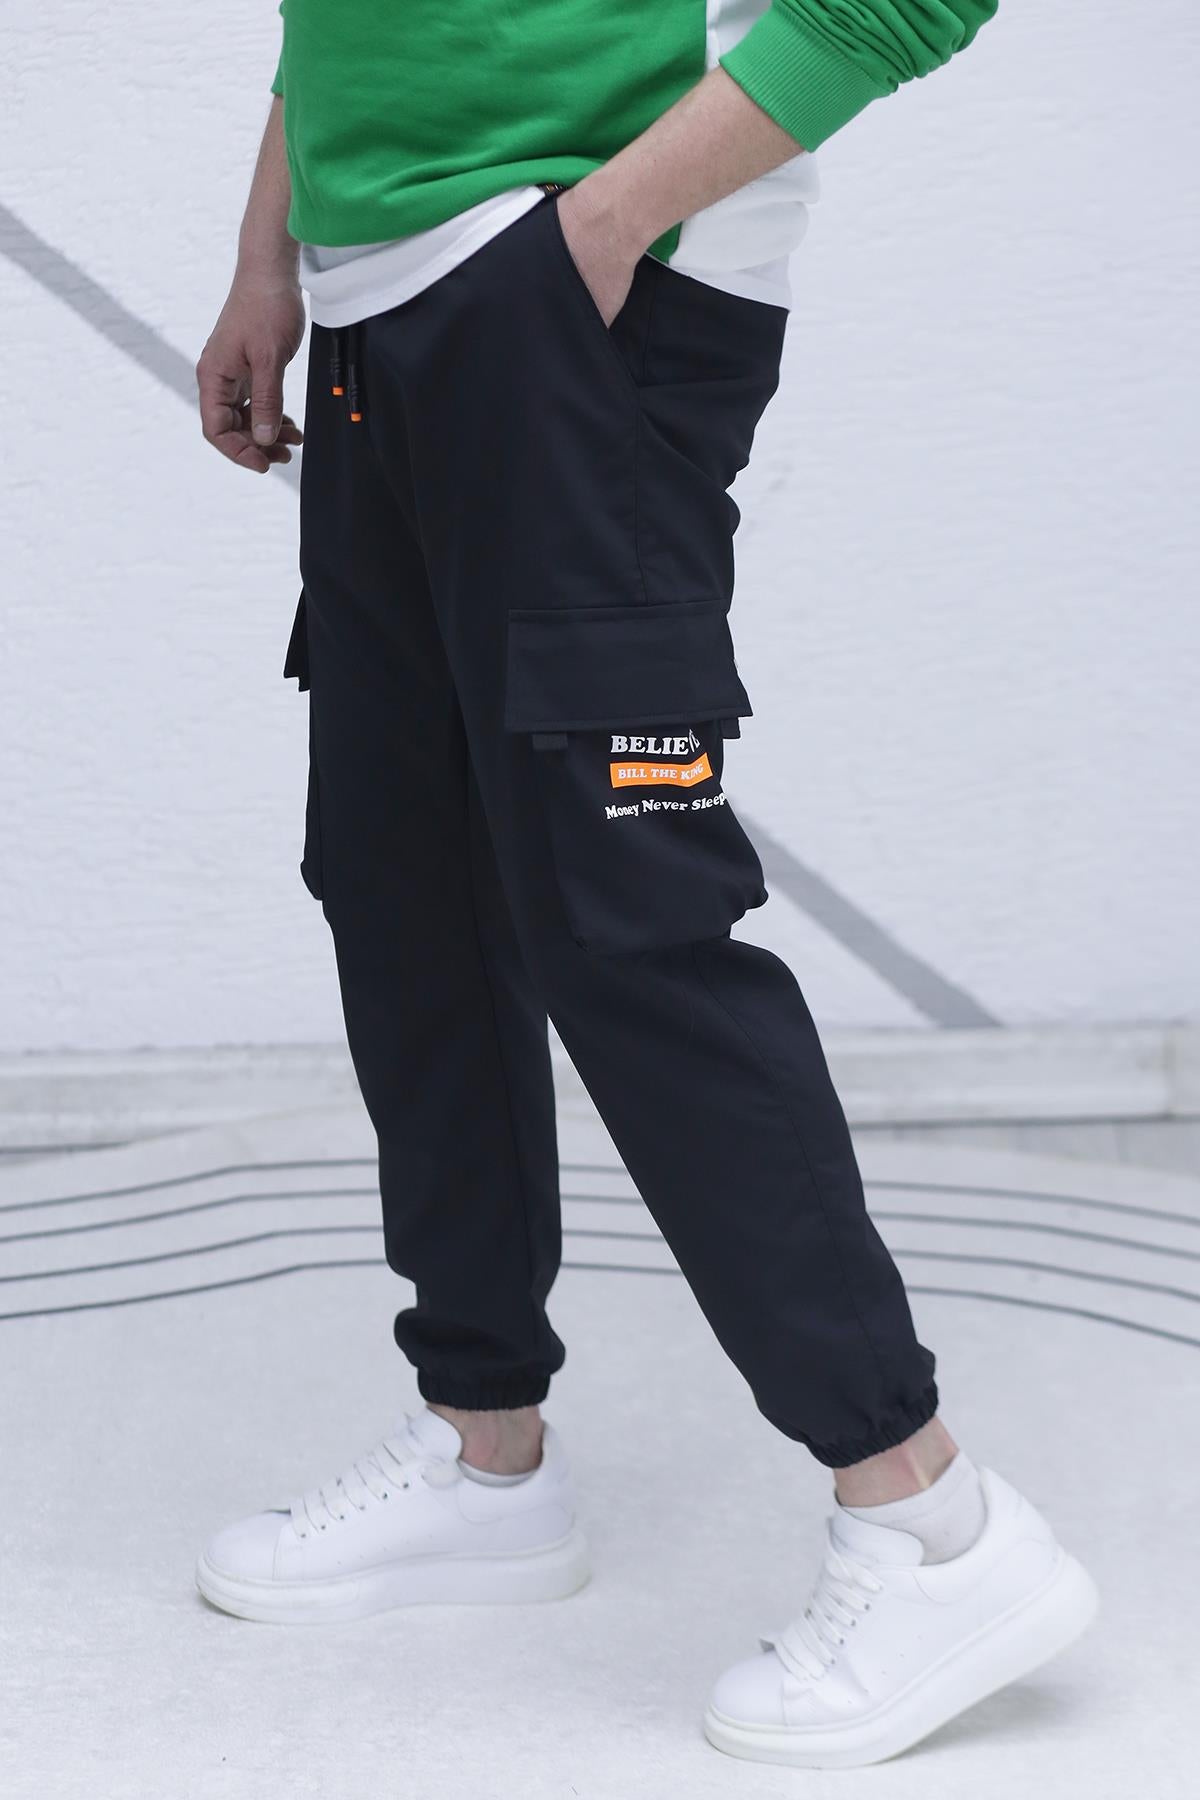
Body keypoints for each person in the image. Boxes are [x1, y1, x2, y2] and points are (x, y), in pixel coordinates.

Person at [193, 0, 1096, 1767]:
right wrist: (269, 252)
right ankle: (485, 1452)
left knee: (630, 925)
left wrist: (598, 232)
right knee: (404, 889)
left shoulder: (588, 256)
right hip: (382, 312)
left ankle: (932, 1524)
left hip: (577, 302)